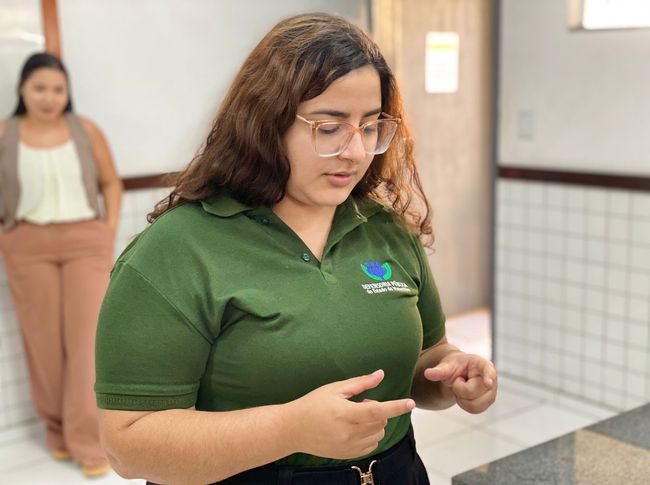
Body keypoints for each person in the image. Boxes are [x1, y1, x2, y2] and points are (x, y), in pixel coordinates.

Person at [95, 13, 497, 485]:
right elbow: (128, 444)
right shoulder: (177, 250)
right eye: (329, 127)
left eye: (370, 126)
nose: (355, 151)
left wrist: (449, 374)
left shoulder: (386, 229)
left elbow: (424, 358)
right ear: (266, 124)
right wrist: (290, 430)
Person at [0, 52, 122, 477]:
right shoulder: (5, 133)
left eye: (57, 89)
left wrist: (107, 232)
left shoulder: (86, 130)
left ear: (67, 92)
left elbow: (110, 182)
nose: (49, 97)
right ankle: (56, 430)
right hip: (27, 244)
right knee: (43, 342)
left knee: (88, 342)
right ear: (22, 89)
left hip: (85, 243)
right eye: (39, 88)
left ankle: (88, 440)